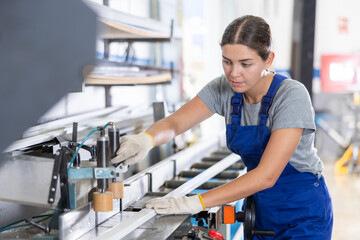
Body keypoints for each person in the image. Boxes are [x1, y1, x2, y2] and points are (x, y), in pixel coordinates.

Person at [111, 15, 333, 239]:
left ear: (268, 60)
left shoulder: (291, 96)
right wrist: (146, 139)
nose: (234, 73)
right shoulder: (224, 89)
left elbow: (267, 175)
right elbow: (175, 122)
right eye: (227, 61)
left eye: (245, 64)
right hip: (262, 210)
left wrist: (194, 202)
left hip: (303, 214)